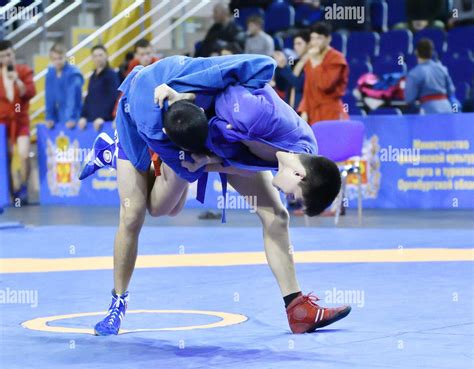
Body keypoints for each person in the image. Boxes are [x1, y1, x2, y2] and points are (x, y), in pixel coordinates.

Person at [80, 54, 350, 337]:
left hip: (199, 126)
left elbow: (238, 160)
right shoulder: (251, 114)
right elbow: (230, 85)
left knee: (276, 215)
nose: (288, 196)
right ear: (299, 176)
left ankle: (297, 310)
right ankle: (117, 302)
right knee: (139, 212)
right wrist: (182, 99)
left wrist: (209, 163)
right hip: (153, 107)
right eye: (295, 195)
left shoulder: (305, 148)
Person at [0, 39, 35, 204]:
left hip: (20, 121)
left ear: (13, 53)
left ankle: (23, 187)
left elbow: (30, 92)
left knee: (23, 154)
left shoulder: (23, 70)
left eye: (9, 54)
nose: (7, 58)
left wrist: (17, 81)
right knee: (5, 156)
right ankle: (9, 190)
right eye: (3, 56)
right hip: (2, 123)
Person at [298, 22, 349, 125]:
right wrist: (304, 110)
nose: (315, 42)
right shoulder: (310, 60)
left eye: (319, 38)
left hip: (331, 113)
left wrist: (315, 62)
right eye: (313, 38)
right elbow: (308, 88)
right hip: (312, 113)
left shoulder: (336, 58)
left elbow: (325, 84)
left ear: (328, 39)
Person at [405, 39, 456, 114]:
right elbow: (451, 91)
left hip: (428, 110)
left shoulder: (414, 73)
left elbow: (409, 98)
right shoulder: (442, 69)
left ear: (416, 52)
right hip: (447, 108)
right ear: (431, 52)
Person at [78, 45, 120, 132]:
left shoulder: (111, 75)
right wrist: (83, 116)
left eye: (100, 55)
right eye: (95, 56)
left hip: (104, 123)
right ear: (92, 58)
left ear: (106, 56)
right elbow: (89, 98)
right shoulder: (93, 76)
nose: (98, 58)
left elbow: (113, 98)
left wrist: (103, 117)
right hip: (90, 122)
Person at [45, 43, 84, 129]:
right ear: (51, 59)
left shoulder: (74, 74)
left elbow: (73, 98)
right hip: (58, 117)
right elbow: (49, 98)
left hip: (75, 116)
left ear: (65, 57)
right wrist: (50, 117)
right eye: (55, 59)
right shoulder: (50, 74)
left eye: (60, 58)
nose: (57, 61)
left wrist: (72, 118)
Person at [273, 30, 310, 110]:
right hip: (291, 108)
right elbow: (282, 86)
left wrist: (284, 67)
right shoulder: (294, 62)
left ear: (308, 45)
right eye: (294, 44)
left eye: (299, 44)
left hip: (305, 109)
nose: (295, 47)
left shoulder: (311, 64)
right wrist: (279, 68)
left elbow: (298, 85)